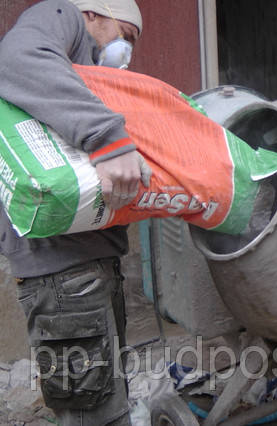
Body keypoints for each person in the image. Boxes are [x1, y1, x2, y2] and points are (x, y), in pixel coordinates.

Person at [0, 0, 146, 424]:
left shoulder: (81, 75)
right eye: (126, 35)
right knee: (92, 415)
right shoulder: (61, 16)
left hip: (87, 268)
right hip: (64, 276)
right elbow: (17, 57)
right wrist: (108, 138)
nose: (126, 50)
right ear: (93, 14)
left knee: (108, 404)